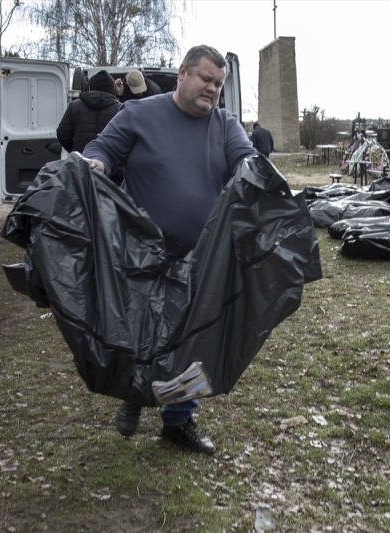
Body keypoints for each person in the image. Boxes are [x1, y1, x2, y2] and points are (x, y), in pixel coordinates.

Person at [83, 45, 257, 455]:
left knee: (190, 342)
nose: (212, 89)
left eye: (219, 84)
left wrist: (255, 172)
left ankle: (179, 421)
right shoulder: (139, 114)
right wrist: (96, 164)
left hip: (200, 258)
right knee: (139, 334)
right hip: (142, 254)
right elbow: (102, 149)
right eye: (205, 79)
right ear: (182, 73)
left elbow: (246, 160)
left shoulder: (226, 125)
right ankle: (134, 393)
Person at [56, 70, 122, 184]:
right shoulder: (120, 109)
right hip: (111, 174)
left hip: (81, 169)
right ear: (112, 89)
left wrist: (76, 150)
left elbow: (62, 133)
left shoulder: (74, 106)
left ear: (91, 86)